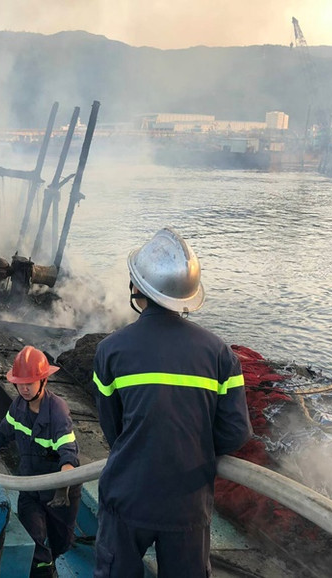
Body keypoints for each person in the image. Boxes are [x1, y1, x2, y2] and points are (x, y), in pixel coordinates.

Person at [92, 228, 252, 578]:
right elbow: (236, 431)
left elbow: (112, 426)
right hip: (188, 504)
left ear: (138, 288)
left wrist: (142, 445)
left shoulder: (110, 351)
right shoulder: (221, 354)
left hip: (127, 494)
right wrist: (194, 446)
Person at [0, 345, 81, 578]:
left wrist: (63, 486)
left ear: (43, 381)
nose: (23, 388)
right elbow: (3, 431)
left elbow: (68, 453)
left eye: (28, 383)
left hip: (58, 490)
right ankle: (42, 570)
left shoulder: (57, 411)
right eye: (19, 383)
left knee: (61, 542)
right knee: (33, 537)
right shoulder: (18, 407)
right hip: (29, 486)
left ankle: (53, 560)